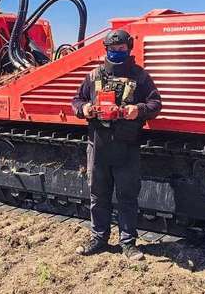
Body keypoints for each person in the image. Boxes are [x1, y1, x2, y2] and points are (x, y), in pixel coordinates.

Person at [71, 29, 162, 261]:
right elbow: (76, 100)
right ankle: (99, 239)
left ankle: (128, 243)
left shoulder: (140, 76)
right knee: (98, 195)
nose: (117, 53)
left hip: (127, 147)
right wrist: (83, 109)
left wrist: (138, 110)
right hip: (98, 145)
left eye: (121, 49)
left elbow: (156, 103)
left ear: (129, 49)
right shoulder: (93, 76)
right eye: (113, 50)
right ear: (106, 50)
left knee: (127, 196)